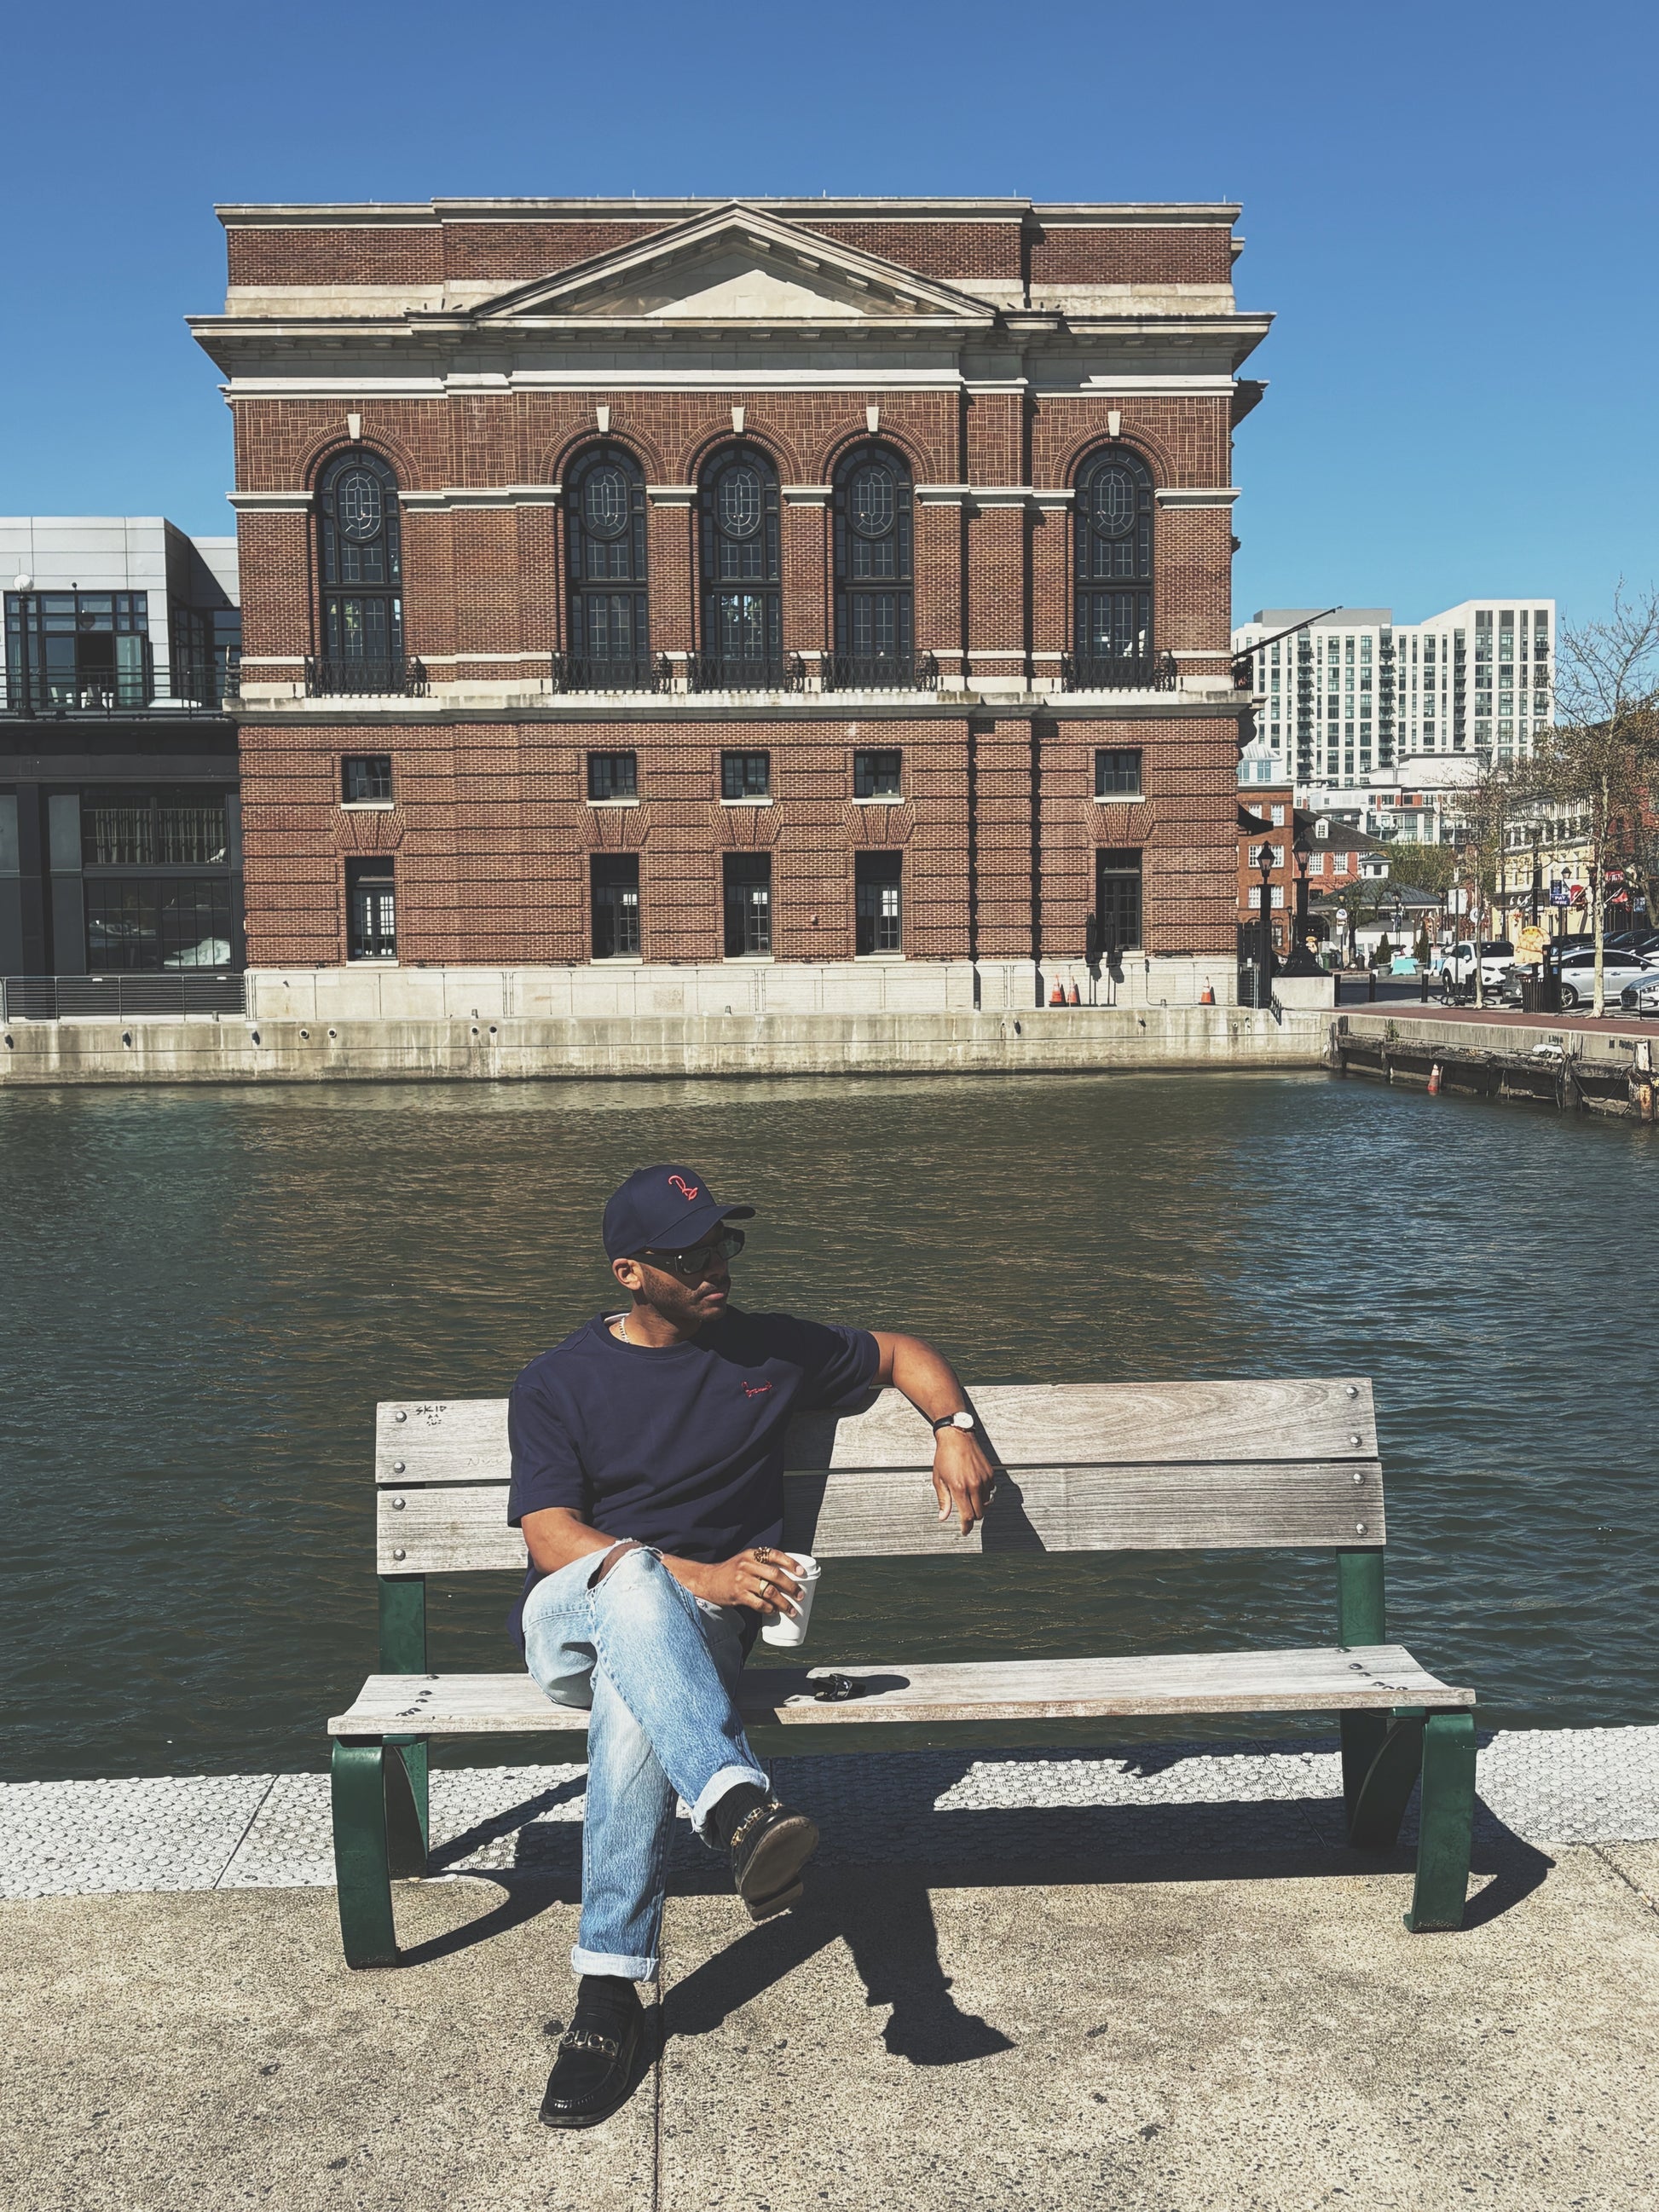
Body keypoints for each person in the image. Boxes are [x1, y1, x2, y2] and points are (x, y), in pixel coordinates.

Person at [508, 1162, 997, 2129]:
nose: (714, 1266)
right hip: (573, 1618)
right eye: (688, 1254)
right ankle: (734, 1798)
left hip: (686, 1645)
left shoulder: (770, 1350)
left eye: (721, 1243)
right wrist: (703, 1576)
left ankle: (609, 1993)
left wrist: (954, 1425)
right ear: (630, 1274)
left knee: (633, 1708)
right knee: (634, 1578)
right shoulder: (558, 1382)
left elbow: (901, 1351)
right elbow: (549, 1537)